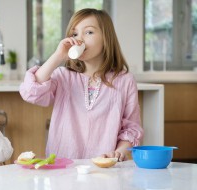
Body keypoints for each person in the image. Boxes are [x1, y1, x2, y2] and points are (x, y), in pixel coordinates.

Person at [20, 8, 143, 161]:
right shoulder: (63, 76)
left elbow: (131, 128)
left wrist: (119, 152)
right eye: (75, 34)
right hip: (63, 166)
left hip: (104, 167)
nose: (80, 39)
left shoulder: (125, 80)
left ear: (106, 38)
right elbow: (30, 93)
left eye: (89, 32)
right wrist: (58, 56)